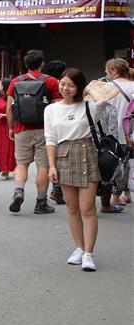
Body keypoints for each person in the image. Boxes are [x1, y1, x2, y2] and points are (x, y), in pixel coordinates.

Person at [45, 69, 119, 272]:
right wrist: (51, 165)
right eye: (62, 84)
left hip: (86, 153)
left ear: (78, 87)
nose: (65, 88)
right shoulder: (51, 109)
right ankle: (78, 247)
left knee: (87, 208)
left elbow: (103, 101)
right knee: (71, 208)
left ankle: (88, 253)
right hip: (62, 155)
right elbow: (50, 139)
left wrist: (88, 89)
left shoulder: (88, 106)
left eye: (70, 85)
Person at [7, 50, 61, 215]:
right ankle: (41, 203)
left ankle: (18, 190)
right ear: (42, 63)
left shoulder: (16, 81)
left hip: (22, 129)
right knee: (43, 166)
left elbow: (9, 108)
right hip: (44, 130)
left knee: (21, 164)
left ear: (26, 64)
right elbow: (58, 107)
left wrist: (11, 128)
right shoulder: (51, 81)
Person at [101, 58, 134, 212]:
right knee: (125, 166)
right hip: (129, 133)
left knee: (111, 168)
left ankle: (112, 198)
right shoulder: (133, 86)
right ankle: (119, 196)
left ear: (113, 71)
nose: (105, 72)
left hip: (110, 135)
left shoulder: (105, 87)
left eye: (107, 70)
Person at [45, 60, 69, 205]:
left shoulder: (44, 82)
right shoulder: (60, 84)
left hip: (45, 123)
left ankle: (56, 189)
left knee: (51, 158)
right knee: (61, 158)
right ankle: (58, 190)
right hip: (62, 125)